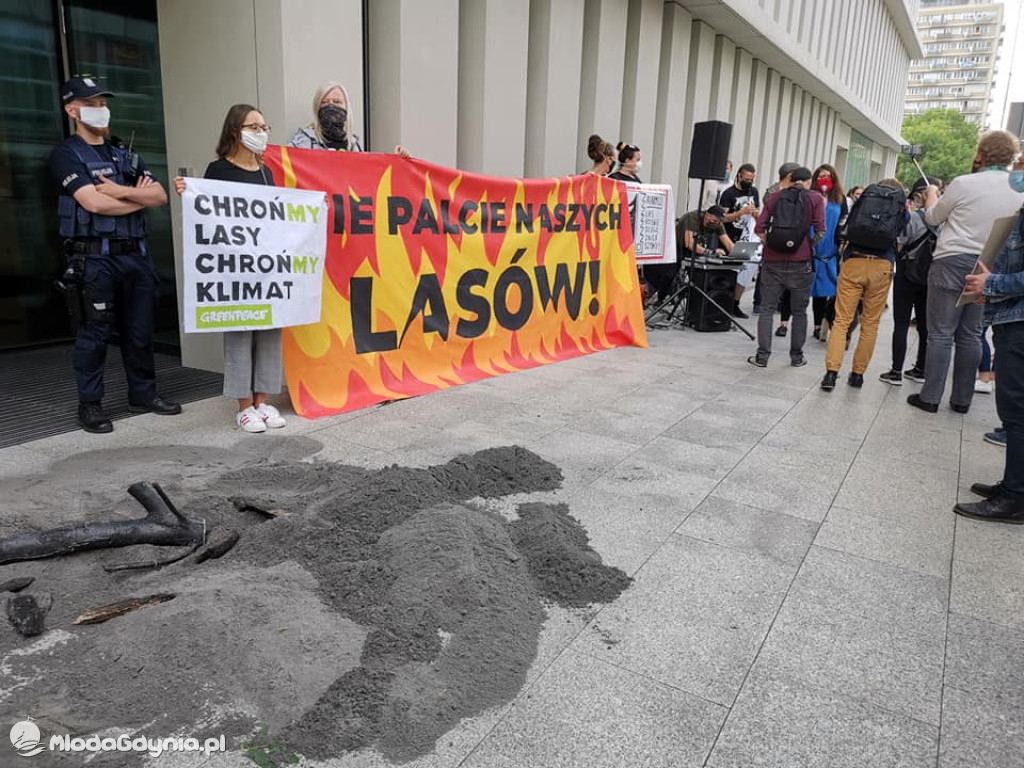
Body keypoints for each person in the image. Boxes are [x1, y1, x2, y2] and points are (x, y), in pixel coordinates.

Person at [49, 76, 181, 433]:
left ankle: (143, 394)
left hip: (135, 258)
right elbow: (92, 203)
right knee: (94, 335)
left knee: (140, 332)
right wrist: (134, 200)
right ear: (72, 110)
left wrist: (120, 193)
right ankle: (90, 405)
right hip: (95, 261)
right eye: (91, 104)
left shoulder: (123, 152)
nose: (100, 110)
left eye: (102, 103)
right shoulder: (67, 154)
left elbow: (159, 197)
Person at [173, 104, 287, 434]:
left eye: (264, 126)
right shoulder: (218, 170)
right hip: (235, 271)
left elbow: (279, 216)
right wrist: (188, 193)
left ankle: (263, 401)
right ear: (235, 131)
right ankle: (243, 406)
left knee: (268, 334)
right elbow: (207, 214)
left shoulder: (267, 173)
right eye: (253, 126)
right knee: (239, 335)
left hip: (265, 271)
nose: (261, 132)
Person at [908, 130, 1024, 414]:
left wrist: (932, 197)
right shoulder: (1018, 189)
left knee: (940, 333)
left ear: (980, 154)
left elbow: (933, 219)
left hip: (952, 260)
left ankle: (930, 397)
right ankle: (962, 400)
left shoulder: (963, 183)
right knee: (971, 335)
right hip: (989, 266)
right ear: (1011, 156)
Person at [955, 160, 1024, 523]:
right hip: (1012, 315)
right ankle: (1014, 485)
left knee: (1017, 410)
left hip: (1020, 322)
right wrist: (992, 287)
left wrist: (993, 285)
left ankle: (1015, 497)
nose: (1016, 169)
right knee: (1015, 410)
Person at [820, 178, 908, 391]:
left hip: (855, 261)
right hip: (882, 265)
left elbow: (849, 227)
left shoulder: (866, 199)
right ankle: (858, 375)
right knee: (870, 323)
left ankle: (831, 373)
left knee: (842, 320)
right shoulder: (900, 206)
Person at [749, 164, 825, 367]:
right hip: (801, 263)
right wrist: (805, 244)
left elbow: (759, 228)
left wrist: (772, 243)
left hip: (772, 261)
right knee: (799, 311)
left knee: (766, 309)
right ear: (808, 181)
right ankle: (796, 357)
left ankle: (762, 356)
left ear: (791, 180)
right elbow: (820, 230)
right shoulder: (815, 198)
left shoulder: (775, 196)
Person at [879, 177, 939, 386]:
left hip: (906, 275)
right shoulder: (944, 220)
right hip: (930, 276)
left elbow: (901, 245)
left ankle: (896, 371)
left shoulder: (912, 218)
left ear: (917, 196)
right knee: (925, 326)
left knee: (902, 323)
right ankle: (920, 369)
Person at [288, 81, 407, 156]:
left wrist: (398, 161)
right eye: (324, 102)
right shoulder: (302, 142)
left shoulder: (355, 146)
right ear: (317, 107)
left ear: (346, 107)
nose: (331, 106)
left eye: (337, 102)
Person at [809, 164, 848, 340]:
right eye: (821, 176)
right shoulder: (810, 197)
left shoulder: (840, 199)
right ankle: (816, 325)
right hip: (812, 248)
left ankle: (829, 324)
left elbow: (843, 223)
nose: (824, 179)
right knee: (813, 290)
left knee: (830, 290)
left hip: (831, 250)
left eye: (828, 176)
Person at [718, 163, 760, 318]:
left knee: (745, 272)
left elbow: (757, 211)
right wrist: (740, 212)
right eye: (746, 179)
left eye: (751, 179)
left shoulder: (754, 192)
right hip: (730, 236)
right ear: (739, 176)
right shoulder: (729, 194)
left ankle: (736, 303)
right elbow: (722, 217)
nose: (748, 182)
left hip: (748, 236)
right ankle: (725, 303)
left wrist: (755, 214)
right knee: (730, 273)